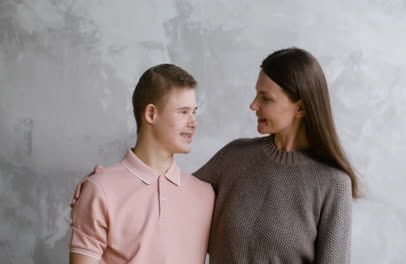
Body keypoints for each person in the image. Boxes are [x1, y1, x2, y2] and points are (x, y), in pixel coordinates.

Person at [71, 47, 360, 264]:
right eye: (256, 94)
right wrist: (101, 185)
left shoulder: (332, 183)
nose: (253, 105)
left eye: (266, 98)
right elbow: (168, 196)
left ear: (300, 108)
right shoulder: (235, 157)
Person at [69, 64, 215, 264]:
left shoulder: (206, 194)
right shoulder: (100, 189)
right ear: (151, 114)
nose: (194, 123)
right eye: (183, 112)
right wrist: (98, 185)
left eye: (194, 112)